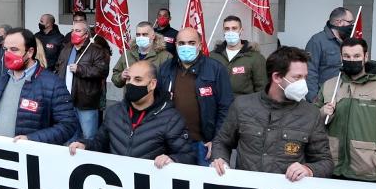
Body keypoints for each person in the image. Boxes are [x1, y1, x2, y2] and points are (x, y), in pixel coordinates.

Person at [211, 46, 332, 180]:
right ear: (277, 77)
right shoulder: (242, 105)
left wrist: (308, 169)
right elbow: (222, 142)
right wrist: (220, 159)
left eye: (305, 77)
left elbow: (325, 161)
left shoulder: (310, 114)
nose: (303, 83)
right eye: (297, 77)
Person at [69, 59, 194, 165]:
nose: (131, 84)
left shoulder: (171, 119)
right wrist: (85, 145)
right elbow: (100, 143)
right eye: (129, 79)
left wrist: (172, 159)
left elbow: (188, 156)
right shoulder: (114, 112)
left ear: (152, 84)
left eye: (138, 80)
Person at [315, 37, 376, 182]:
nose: (351, 60)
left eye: (356, 56)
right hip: (331, 168)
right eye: (347, 56)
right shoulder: (329, 86)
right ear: (341, 57)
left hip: (366, 172)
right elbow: (312, 123)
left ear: (366, 56)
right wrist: (322, 113)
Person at [155, 26, 233, 165]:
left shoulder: (216, 69)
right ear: (176, 45)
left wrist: (216, 140)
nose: (186, 47)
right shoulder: (166, 68)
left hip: (204, 144)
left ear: (200, 45)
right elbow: (158, 103)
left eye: (191, 43)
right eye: (181, 43)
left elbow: (225, 108)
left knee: (204, 184)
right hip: (173, 142)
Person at [0, 28, 78, 144]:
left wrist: (31, 140)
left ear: (30, 52)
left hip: (30, 157)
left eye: (14, 50)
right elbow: (0, 114)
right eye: (5, 49)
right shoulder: (4, 78)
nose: (7, 54)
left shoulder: (53, 83)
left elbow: (68, 125)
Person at [55, 20, 110, 140]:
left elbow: (102, 71)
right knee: (70, 135)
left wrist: (80, 69)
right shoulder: (66, 49)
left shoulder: (96, 50)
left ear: (86, 34)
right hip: (66, 100)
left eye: (78, 31)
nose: (74, 33)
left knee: (89, 136)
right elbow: (58, 68)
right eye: (72, 30)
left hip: (86, 101)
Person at [304, 6, 355, 101]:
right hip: (325, 98)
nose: (352, 26)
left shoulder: (349, 41)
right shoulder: (317, 41)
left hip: (346, 97)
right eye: (350, 22)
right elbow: (309, 72)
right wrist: (313, 100)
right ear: (339, 22)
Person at [210, 15, 267, 96]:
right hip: (219, 106)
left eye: (234, 28)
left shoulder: (255, 57)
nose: (230, 32)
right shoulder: (213, 56)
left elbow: (262, 88)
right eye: (227, 29)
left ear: (241, 30)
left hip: (244, 106)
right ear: (223, 31)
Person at [112, 21, 171, 87]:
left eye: (144, 34)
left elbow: (169, 81)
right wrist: (121, 76)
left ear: (153, 36)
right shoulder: (128, 54)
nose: (141, 37)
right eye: (138, 34)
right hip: (131, 96)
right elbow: (115, 77)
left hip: (152, 96)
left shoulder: (165, 56)